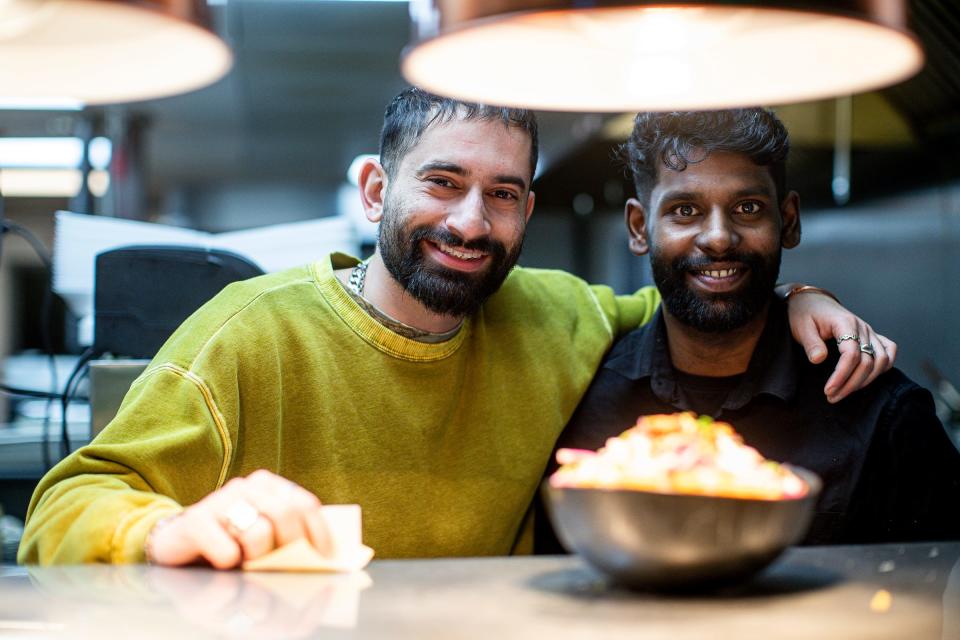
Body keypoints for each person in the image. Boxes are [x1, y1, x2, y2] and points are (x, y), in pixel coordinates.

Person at [19, 90, 894, 567]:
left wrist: (796, 296)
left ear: (526, 209)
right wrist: (158, 531)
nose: (471, 223)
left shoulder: (560, 315)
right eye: (441, 183)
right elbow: (62, 509)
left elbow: (693, 300)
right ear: (374, 192)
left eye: (503, 194)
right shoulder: (252, 336)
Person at [544, 108, 960, 548]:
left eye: (747, 207)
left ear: (789, 220)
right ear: (639, 227)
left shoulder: (883, 414)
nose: (719, 238)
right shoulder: (582, 401)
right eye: (685, 210)